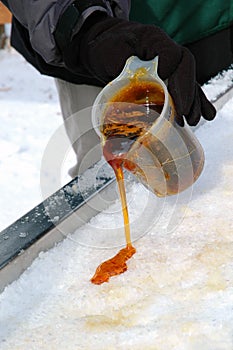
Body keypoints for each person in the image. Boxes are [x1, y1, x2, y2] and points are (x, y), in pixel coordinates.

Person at [2, 1, 232, 176]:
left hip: (216, 23)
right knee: (103, 182)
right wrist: (80, 24)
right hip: (96, 50)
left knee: (219, 167)